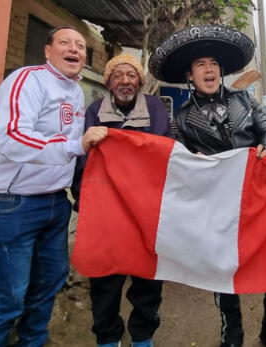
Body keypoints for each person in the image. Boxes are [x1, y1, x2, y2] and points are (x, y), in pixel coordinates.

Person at [149, 25, 266, 347]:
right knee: (221, 265)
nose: (209, 68)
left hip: (257, 193)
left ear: (221, 70)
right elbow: (177, 157)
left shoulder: (246, 100)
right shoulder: (182, 119)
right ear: (190, 74)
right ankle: (232, 331)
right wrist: (193, 160)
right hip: (215, 203)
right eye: (200, 64)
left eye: (213, 62)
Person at [0, 26, 107, 346]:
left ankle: (32, 341)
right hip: (12, 202)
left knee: (48, 283)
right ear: (47, 50)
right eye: (65, 42)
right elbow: (13, 138)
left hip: (53, 202)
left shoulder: (75, 91)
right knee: (8, 297)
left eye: (80, 45)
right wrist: (76, 146)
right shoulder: (27, 79)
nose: (74, 49)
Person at [71, 54, 170, 347]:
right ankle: (108, 336)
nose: (125, 81)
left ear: (139, 81)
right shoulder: (93, 111)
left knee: (147, 277)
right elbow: (83, 159)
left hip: (146, 210)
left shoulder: (155, 108)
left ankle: (143, 335)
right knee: (105, 278)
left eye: (131, 75)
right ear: (108, 82)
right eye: (118, 75)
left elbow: (167, 149)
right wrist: (84, 198)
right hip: (107, 212)